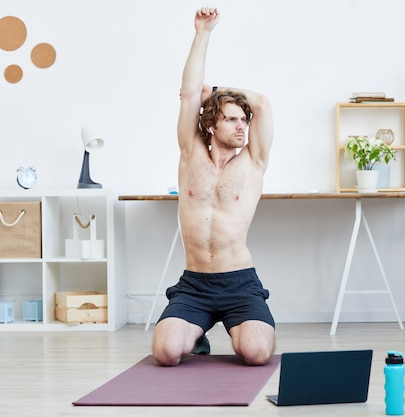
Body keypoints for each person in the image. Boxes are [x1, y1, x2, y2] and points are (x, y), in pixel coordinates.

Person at [152, 6, 275, 367]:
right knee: (166, 353)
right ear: (210, 125)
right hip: (195, 284)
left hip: (240, 283)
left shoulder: (253, 161)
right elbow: (189, 94)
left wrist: (219, 90)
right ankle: (197, 331)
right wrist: (202, 33)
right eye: (231, 120)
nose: (241, 127)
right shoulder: (190, 154)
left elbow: (263, 105)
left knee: (255, 353)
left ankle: (245, 324)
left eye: (243, 120)